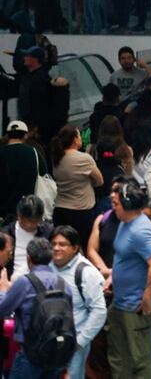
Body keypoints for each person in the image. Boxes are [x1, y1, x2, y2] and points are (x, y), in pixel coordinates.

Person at [107, 179, 151, 379]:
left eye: (116, 204)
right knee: (120, 359)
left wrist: (148, 296)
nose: (112, 208)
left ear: (128, 205)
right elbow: (124, 257)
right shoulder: (125, 223)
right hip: (120, 303)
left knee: (139, 361)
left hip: (135, 307)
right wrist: (112, 278)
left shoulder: (141, 229)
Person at [0, 238, 72, 378]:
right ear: (50, 257)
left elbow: (3, 310)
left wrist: (3, 291)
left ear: (29, 258)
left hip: (30, 354)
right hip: (56, 353)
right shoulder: (63, 284)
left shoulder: (25, 282)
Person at [51, 225, 107, 379]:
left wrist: (80, 342)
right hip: (48, 343)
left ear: (75, 248)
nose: (56, 248)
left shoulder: (86, 273)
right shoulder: (47, 265)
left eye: (62, 244)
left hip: (73, 344)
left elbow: (99, 311)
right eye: (54, 244)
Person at [50, 125, 103, 238]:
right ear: (75, 139)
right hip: (81, 211)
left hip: (60, 210)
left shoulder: (56, 158)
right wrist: (90, 183)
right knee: (84, 245)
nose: (80, 139)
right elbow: (99, 180)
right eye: (79, 135)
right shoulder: (84, 158)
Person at [0, 120, 44, 221]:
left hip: (3, 212)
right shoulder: (34, 152)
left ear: (8, 135)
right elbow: (45, 176)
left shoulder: (1, 152)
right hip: (29, 209)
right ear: (25, 136)